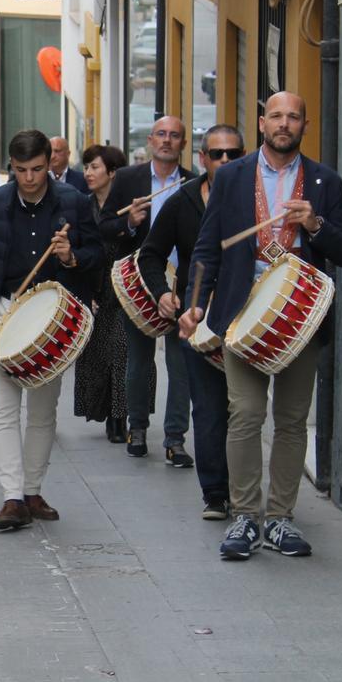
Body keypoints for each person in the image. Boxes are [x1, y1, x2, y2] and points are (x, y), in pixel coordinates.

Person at [181, 92, 342, 559]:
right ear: (262, 122)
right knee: (244, 414)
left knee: (291, 421)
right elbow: (206, 248)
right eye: (276, 116)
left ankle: (280, 518)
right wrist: (196, 304)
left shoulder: (324, 181)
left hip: (300, 320)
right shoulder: (233, 177)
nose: (285, 124)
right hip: (243, 315)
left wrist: (316, 225)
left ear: (304, 125)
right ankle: (244, 516)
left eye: (294, 117)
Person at [0, 130, 102, 530]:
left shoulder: (73, 201)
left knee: (41, 410)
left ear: (49, 163)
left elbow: (97, 255)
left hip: (50, 316)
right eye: (21, 171)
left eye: (37, 169)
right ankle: (12, 497)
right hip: (5, 309)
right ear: (11, 167)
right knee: (3, 410)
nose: (30, 178)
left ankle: (33, 490)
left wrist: (72, 257)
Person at [139, 125, 244, 520]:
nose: (225, 161)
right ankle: (215, 493)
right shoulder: (182, 201)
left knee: (244, 410)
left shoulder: (254, 199)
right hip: (196, 320)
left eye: (233, 154)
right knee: (208, 408)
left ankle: (244, 491)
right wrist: (163, 293)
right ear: (201, 159)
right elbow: (150, 254)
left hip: (244, 318)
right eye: (216, 154)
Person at [99, 115, 196, 464]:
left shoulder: (193, 183)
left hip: (180, 285)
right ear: (151, 141)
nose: (167, 140)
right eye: (161, 135)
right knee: (139, 361)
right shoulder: (128, 179)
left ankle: (175, 439)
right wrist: (129, 223)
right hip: (138, 282)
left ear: (184, 144)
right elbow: (104, 225)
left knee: (180, 362)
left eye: (174, 135)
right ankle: (137, 428)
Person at [72, 144, 152, 443]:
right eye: (87, 167)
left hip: (126, 287)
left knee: (122, 351)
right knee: (96, 353)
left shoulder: (133, 205)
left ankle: (122, 417)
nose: (88, 173)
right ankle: (104, 410)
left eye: (94, 167)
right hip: (94, 287)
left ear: (112, 172)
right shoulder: (84, 205)